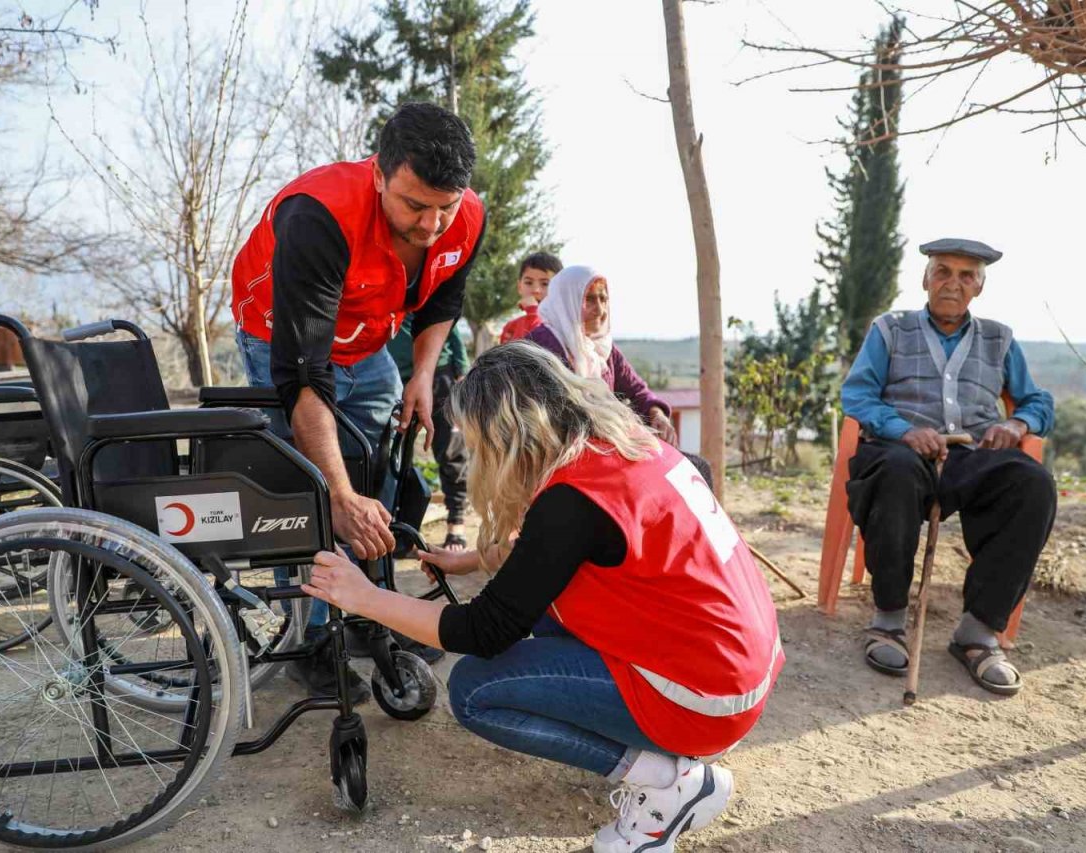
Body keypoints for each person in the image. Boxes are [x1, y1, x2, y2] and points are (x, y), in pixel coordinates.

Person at [301, 342, 784, 853]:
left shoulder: (569, 501)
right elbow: (591, 542)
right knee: (548, 613)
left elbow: (482, 631)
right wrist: (477, 559)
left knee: (474, 689)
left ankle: (666, 782)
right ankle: (665, 757)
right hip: (739, 671)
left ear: (506, 433)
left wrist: (363, 596)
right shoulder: (628, 444)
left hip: (705, 703)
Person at [230, 102, 486, 699]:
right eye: (414, 205)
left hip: (369, 337)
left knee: (383, 472)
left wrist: (422, 374)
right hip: (284, 334)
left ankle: (372, 612)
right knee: (308, 488)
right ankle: (313, 637)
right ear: (379, 174)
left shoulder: (464, 217)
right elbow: (303, 374)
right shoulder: (318, 215)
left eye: (444, 207)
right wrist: (338, 494)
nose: (430, 225)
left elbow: (442, 300)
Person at [841, 238, 1056, 696]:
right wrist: (902, 429)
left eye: (965, 275)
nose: (952, 284)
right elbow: (857, 395)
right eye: (942, 272)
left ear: (979, 286)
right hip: (900, 449)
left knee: (1032, 483)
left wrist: (1018, 423)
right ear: (925, 278)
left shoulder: (1001, 338)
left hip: (971, 455)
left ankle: (977, 633)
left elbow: (1038, 400)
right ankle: (889, 621)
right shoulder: (890, 329)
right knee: (894, 474)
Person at [525, 265, 678, 446]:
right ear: (566, 300)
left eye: (603, 299)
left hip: (602, 445)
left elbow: (637, 391)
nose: (600, 310)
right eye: (589, 299)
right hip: (559, 452)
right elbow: (554, 413)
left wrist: (656, 414)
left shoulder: (603, 349)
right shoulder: (540, 346)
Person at [386, 315, 470, 550]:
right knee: (396, 458)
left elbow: (448, 321)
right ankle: (402, 531)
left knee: (451, 451)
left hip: (439, 373)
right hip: (394, 375)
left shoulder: (426, 283)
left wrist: (461, 371)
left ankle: (456, 523)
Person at [499, 251, 562, 343]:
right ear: (519, 287)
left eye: (545, 284)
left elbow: (538, 344)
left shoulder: (563, 326)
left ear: (559, 289)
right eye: (528, 283)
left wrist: (532, 310)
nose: (536, 290)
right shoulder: (511, 327)